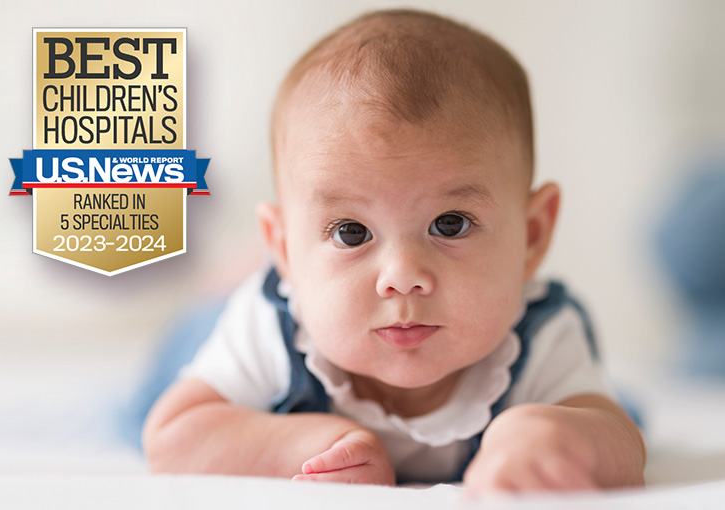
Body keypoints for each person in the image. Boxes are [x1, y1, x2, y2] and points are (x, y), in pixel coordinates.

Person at [141, 9, 645, 491]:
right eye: (351, 233)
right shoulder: (269, 327)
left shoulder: (541, 335)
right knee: (174, 358)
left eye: (449, 225)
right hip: (217, 329)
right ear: (286, 251)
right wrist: (319, 443)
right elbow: (171, 437)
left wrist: (552, 435)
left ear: (533, 236)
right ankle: (229, 276)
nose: (402, 276)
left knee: (625, 404)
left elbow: (621, 442)